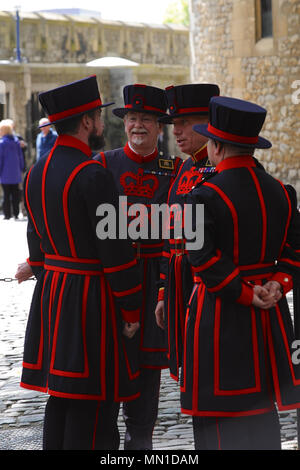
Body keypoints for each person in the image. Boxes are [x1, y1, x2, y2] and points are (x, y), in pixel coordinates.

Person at [20, 75, 143, 450]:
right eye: (99, 117)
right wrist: (131, 308)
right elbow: (117, 252)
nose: (102, 125)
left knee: (61, 395)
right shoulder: (94, 174)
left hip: (53, 293)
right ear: (87, 121)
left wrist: (49, 275)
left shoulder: (36, 172)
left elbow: (35, 243)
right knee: (94, 402)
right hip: (92, 299)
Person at [181, 95, 300, 450]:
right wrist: (276, 287)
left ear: (216, 146)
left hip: (219, 316)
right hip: (271, 319)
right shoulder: (282, 192)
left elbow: (201, 259)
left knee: (218, 420)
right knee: (263, 410)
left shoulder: (202, 196)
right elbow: (295, 251)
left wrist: (249, 294)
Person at [95, 83, 182, 450]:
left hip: (155, 286)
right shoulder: (102, 164)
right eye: (132, 117)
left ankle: (139, 447)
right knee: (108, 373)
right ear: (124, 123)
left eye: (146, 118)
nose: (138, 125)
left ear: (159, 127)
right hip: (113, 285)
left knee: (146, 382)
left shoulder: (176, 169)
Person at [154, 83, 220, 382]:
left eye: (184, 123)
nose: (176, 131)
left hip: (205, 281)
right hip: (180, 281)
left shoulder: (220, 169)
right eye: (173, 124)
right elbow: (170, 235)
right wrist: (164, 292)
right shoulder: (183, 169)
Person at [0, 119, 24, 219]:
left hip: (5, 173)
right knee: (15, 193)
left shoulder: (1, 143)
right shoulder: (16, 142)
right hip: (16, 173)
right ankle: (16, 213)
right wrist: (21, 168)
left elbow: (0, 159)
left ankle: (7, 214)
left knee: (6, 194)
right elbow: (20, 157)